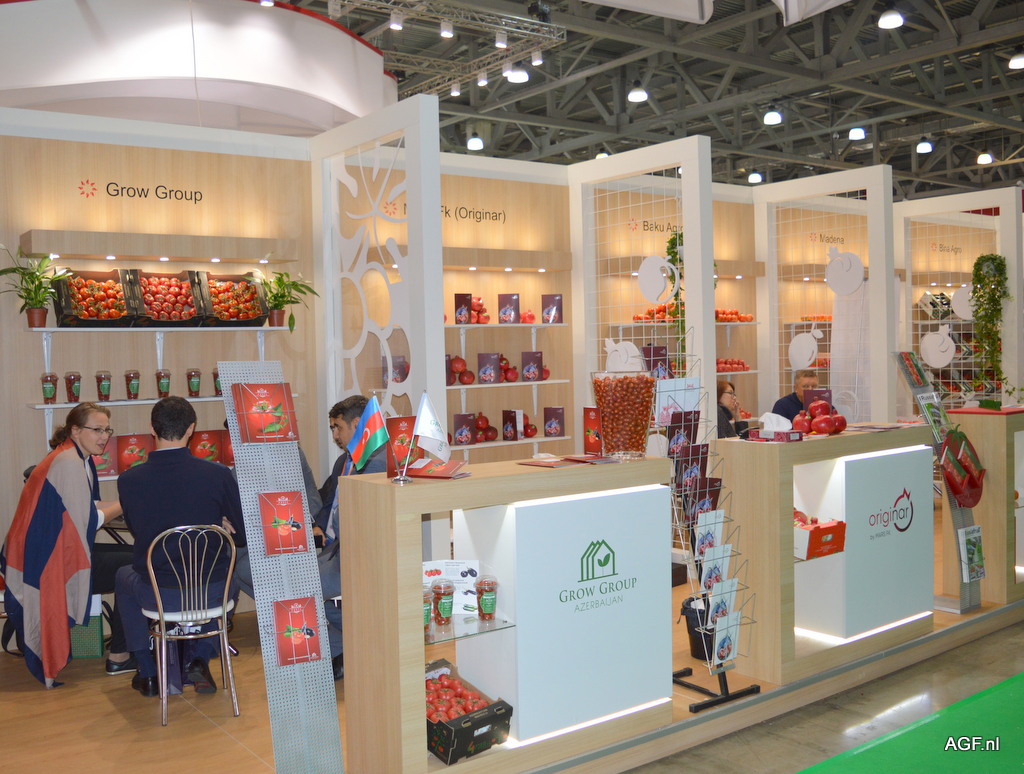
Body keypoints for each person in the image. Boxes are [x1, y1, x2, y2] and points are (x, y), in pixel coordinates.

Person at [115, 396, 244, 698]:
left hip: (160, 595)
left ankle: (147, 672)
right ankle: (200, 657)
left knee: (123, 576)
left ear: (152, 428)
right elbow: (240, 537)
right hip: (212, 591)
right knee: (232, 579)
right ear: (191, 429)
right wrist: (218, 523)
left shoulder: (129, 480)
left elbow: (138, 532)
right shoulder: (218, 474)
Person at [1, 402, 132, 687]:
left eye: (107, 430)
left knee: (132, 559)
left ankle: (124, 650)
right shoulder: (70, 463)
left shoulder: (76, 456)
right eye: (96, 430)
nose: (104, 437)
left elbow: (88, 507)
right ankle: (121, 654)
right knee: (135, 565)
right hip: (45, 563)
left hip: (49, 553)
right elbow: (90, 520)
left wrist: (125, 504)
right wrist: (127, 502)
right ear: (75, 430)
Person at [315, 395, 387, 680]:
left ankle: (359, 646)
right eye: (332, 428)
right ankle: (352, 649)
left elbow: (356, 523)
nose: (335, 435)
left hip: (359, 556)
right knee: (301, 581)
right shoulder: (347, 461)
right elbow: (329, 503)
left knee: (300, 586)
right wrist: (321, 527)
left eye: (338, 428)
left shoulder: (375, 463)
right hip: (337, 548)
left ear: (358, 424)